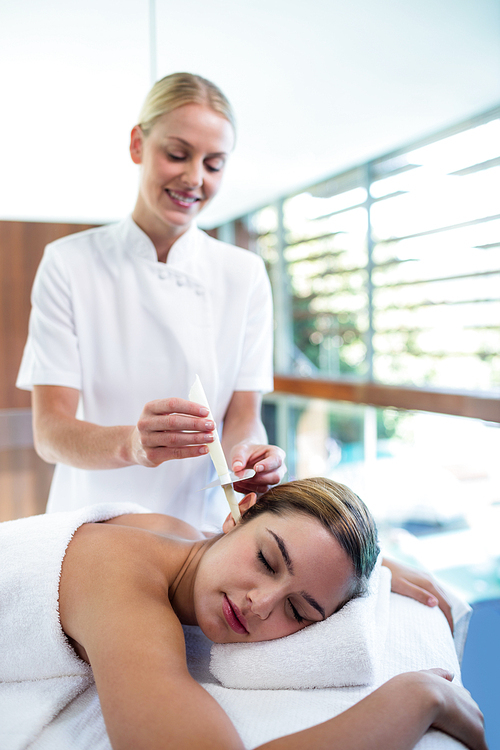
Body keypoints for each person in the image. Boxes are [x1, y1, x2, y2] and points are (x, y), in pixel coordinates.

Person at [16, 72, 285, 529]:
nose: (194, 177)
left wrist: (249, 455)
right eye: (177, 154)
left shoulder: (245, 275)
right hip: (87, 527)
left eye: (214, 164)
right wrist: (132, 445)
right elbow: (49, 433)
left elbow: (243, 417)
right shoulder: (68, 263)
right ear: (138, 144)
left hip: (194, 529)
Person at [51, 477, 485, 750]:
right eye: (266, 560)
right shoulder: (120, 578)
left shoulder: (183, 539)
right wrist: (415, 697)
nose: (259, 605)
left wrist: (369, 566)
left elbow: (290, 546)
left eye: (296, 609)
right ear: (237, 514)